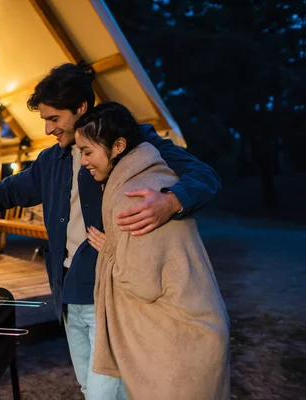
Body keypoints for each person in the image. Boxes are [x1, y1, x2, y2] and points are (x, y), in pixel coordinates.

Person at [0, 63, 221, 399]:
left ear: (81, 108)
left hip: (111, 295)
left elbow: (204, 176)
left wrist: (171, 201)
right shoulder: (50, 160)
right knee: (91, 388)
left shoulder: (129, 141)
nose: (47, 129)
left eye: (54, 119)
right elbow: (8, 191)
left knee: (112, 391)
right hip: (67, 294)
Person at [75, 102, 230, 399]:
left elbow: (143, 283)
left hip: (180, 345)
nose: (84, 161)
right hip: (197, 333)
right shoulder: (153, 175)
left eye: (87, 151)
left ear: (119, 145)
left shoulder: (133, 195)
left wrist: (109, 251)